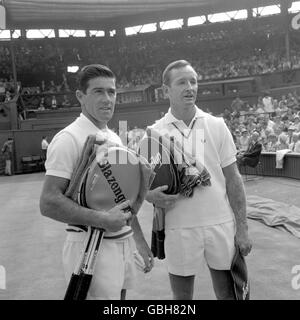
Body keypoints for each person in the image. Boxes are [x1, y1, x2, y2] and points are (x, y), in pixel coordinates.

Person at [39, 64, 154, 300]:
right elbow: (48, 202)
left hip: (120, 241)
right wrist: (102, 219)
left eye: (111, 92)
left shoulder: (113, 137)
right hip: (87, 245)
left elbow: (124, 199)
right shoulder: (68, 139)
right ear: (80, 97)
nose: (107, 99)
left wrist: (139, 241)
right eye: (98, 92)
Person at [145, 60, 252, 300]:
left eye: (193, 81)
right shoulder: (154, 133)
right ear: (166, 90)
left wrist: (242, 228)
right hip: (178, 226)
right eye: (182, 82)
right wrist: (149, 195)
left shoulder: (217, 125)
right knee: (182, 298)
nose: (189, 87)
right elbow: (142, 184)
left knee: (229, 294)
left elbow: (233, 179)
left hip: (221, 223)